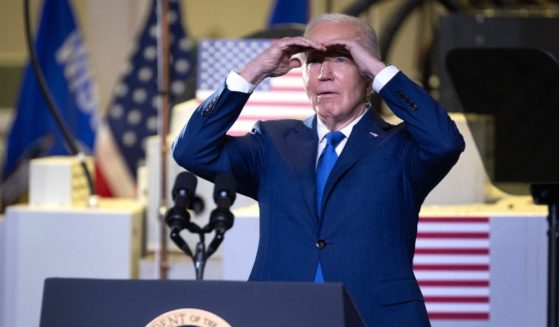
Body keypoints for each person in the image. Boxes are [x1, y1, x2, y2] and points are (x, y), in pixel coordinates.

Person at [173, 13, 465, 326]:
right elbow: (192, 150)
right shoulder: (272, 142)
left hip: (374, 316)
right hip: (279, 315)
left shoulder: (401, 148)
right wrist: (253, 73)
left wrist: (382, 74)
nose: (324, 73)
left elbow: (446, 141)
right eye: (313, 61)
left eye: (342, 59)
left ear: (367, 72)